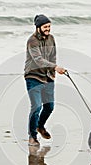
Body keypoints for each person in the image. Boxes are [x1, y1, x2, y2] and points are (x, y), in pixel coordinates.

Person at [24, 14, 65, 146]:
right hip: (33, 76)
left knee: (49, 107)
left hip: (48, 77)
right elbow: (38, 60)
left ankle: (40, 126)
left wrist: (53, 73)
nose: (48, 29)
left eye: (49, 26)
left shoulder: (51, 39)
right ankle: (32, 137)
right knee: (36, 106)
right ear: (38, 27)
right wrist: (55, 67)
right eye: (45, 27)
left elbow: (53, 56)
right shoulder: (32, 41)